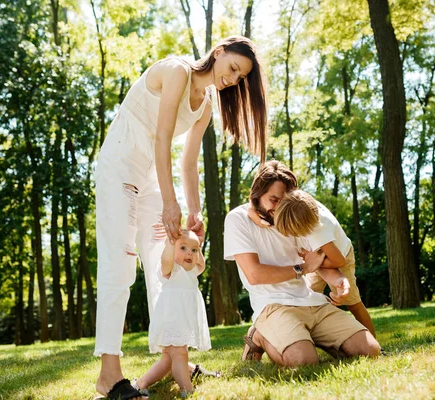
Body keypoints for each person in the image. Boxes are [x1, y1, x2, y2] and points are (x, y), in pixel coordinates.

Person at [94, 36, 267, 400]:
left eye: (240, 78)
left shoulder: (205, 106)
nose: (232, 79)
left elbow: (189, 162)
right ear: (218, 52)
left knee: (166, 266)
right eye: (233, 68)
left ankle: (176, 359)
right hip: (121, 166)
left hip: (152, 178)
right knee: (119, 266)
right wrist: (169, 202)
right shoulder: (176, 71)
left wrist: (193, 208)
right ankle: (109, 375)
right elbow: (161, 136)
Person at [224, 161, 381, 367]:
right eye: (274, 200)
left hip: (311, 301)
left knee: (370, 350)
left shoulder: (293, 215)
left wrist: (341, 281)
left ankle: (303, 336)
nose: (279, 208)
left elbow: (318, 262)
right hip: (273, 306)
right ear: (257, 193)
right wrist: (302, 269)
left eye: (285, 201)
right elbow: (255, 275)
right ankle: (259, 335)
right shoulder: (237, 219)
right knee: (303, 361)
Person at [274, 189, 377, 337]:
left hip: (341, 258)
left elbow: (338, 260)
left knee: (353, 302)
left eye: (295, 232)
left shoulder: (318, 232)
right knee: (308, 297)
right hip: (319, 257)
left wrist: (315, 263)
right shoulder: (301, 204)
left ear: (305, 227)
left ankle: (374, 341)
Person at [132, 230, 211, 398]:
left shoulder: (191, 271)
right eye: (183, 248)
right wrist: (170, 243)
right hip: (172, 319)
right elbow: (166, 260)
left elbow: (202, 265)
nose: (189, 253)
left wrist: (199, 247)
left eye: (194, 250)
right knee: (180, 354)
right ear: (172, 250)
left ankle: (142, 383)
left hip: (181, 320)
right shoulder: (171, 270)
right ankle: (186, 388)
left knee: (168, 360)